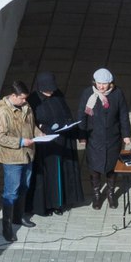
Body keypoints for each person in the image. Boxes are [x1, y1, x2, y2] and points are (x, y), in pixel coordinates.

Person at [27, 71, 83, 217]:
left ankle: (60, 203)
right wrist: (44, 129)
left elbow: (65, 112)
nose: (50, 92)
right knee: (48, 176)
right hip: (46, 146)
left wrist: (69, 125)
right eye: (47, 89)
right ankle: (48, 205)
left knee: (62, 173)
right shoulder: (33, 100)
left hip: (63, 141)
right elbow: (32, 123)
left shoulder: (58, 94)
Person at [0, 78, 37, 243]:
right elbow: (0, 137)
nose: (25, 101)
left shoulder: (26, 107)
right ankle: (7, 227)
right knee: (11, 192)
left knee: (24, 186)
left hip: (27, 155)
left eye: (26, 98)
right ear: (13, 95)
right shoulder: (2, 113)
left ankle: (19, 216)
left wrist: (40, 135)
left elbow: (32, 127)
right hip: (12, 158)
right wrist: (20, 142)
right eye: (22, 98)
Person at [79, 67, 131, 210]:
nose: (101, 87)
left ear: (110, 83)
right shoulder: (88, 94)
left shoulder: (117, 94)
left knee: (111, 167)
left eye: (104, 84)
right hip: (94, 137)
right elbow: (82, 116)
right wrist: (82, 135)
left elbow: (123, 115)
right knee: (94, 168)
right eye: (99, 83)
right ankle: (96, 194)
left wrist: (126, 134)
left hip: (113, 138)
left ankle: (110, 193)